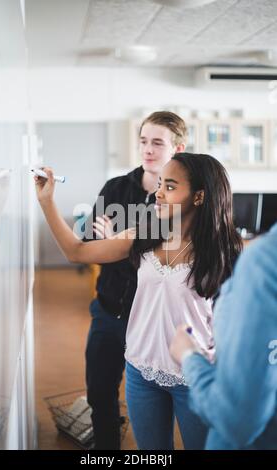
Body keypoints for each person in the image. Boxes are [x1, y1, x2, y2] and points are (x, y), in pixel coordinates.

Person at [34, 152, 242, 449]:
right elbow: (76, 252)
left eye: (170, 186)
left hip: (195, 378)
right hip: (140, 373)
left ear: (199, 197)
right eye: (160, 183)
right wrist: (46, 201)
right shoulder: (145, 235)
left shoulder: (224, 252)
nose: (158, 193)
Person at [82, 111, 187, 449]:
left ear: (178, 148)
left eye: (158, 142)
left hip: (156, 321)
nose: (148, 150)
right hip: (109, 311)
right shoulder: (115, 188)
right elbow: (88, 246)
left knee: (158, 398)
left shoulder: (180, 197)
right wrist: (112, 244)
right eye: (144, 141)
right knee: (99, 392)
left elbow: (171, 258)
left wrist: (118, 242)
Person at [170, 222, 277, 450]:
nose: (158, 195)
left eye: (169, 186)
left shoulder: (265, 260)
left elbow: (237, 418)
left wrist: (189, 357)